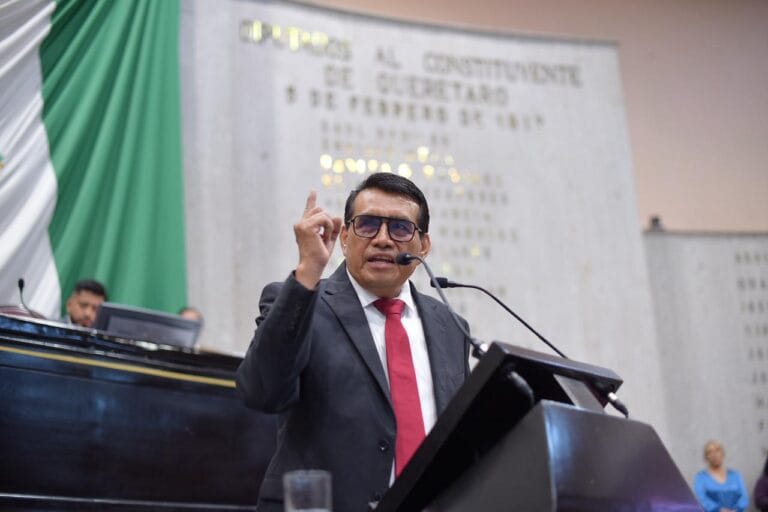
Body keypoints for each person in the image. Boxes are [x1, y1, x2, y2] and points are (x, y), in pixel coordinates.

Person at [236, 173, 470, 512]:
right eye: (368, 224)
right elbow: (261, 392)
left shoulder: (450, 326)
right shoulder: (302, 304)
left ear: (423, 246)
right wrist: (308, 270)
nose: (383, 240)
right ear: (345, 237)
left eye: (400, 228)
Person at [693, 440, 749, 512]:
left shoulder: (735, 475)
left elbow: (744, 497)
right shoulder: (701, 477)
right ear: (706, 457)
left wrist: (737, 509)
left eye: (717, 450)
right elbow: (702, 499)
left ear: (722, 453)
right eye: (709, 452)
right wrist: (718, 510)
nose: (714, 455)